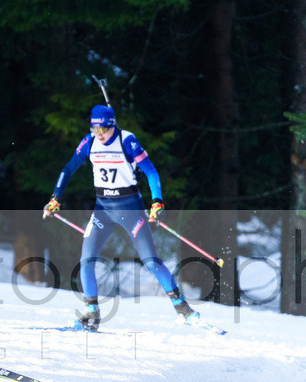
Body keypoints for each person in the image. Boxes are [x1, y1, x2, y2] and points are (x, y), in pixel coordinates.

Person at [43, 104, 197, 331]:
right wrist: (55, 197)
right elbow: (67, 170)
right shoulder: (89, 142)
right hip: (102, 210)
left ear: (112, 126)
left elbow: (151, 171)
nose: (99, 135)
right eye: (95, 130)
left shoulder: (128, 141)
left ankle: (183, 308)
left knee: (150, 261)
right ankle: (92, 314)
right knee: (86, 261)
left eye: (103, 130)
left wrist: (157, 201)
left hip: (131, 209)